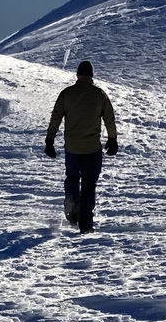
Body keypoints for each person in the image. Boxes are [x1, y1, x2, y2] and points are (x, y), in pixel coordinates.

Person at [44, 60, 119, 233]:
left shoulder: (67, 94)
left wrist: (49, 141)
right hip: (92, 148)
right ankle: (85, 225)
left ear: (78, 74)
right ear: (91, 75)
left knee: (72, 178)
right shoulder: (99, 94)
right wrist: (113, 139)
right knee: (88, 184)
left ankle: (72, 209)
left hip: (72, 148)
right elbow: (109, 118)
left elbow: (55, 118)